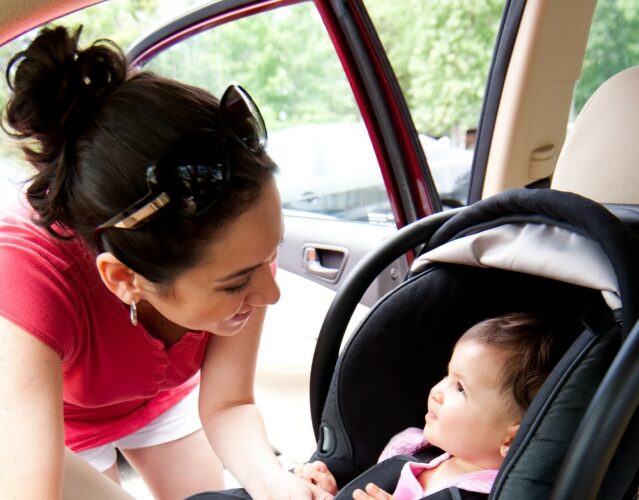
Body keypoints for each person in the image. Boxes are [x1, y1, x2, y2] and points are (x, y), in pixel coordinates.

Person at [0, 25, 332, 499]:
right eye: (236, 284)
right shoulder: (29, 277)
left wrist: (278, 487)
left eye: (271, 254)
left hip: (159, 400)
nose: (269, 293)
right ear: (124, 278)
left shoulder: (241, 251)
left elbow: (229, 403)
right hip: (59, 423)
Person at [296, 313, 558, 499]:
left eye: (460, 388)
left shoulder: (491, 493)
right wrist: (334, 491)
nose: (437, 391)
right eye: (447, 375)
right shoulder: (417, 452)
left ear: (511, 439)